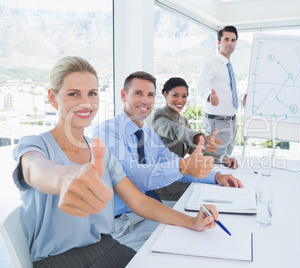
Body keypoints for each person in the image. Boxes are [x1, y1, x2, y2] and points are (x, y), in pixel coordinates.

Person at [12, 56, 219, 267]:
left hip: (106, 247)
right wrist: (65, 178)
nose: (85, 102)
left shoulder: (100, 150)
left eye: (92, 93)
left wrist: (192, 222)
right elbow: (34, 169)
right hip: (61, 260)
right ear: (53, 98)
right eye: (74, 94)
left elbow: (139, 201)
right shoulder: (35, 145)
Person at [92, 71, 243, 251]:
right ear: (124, 95)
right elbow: (130, 175)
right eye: (138, 93)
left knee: (213, 230)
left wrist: (216, 176)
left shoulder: (148, 135)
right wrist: (183, 166)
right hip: (125, 222)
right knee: (194, 245)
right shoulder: (108, 132)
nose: (145, 100)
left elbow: (174, 162)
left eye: (150, 95)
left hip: (151, 210)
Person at [152, 77, 239, 200]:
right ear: (165, 95)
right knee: (209, 191)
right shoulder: (159, 116)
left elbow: (194, 150)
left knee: (216, 186)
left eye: (184, 96)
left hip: (180, 175)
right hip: (165, 183)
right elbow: (177, 131)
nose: (180, 100)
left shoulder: (183, 120)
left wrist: (222, 158)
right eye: (175, 95)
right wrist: (201, 138)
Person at [196, 25, 240, 155]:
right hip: (216, 122)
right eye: (226, 39)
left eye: (233, 40)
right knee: (213, 161)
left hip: (231, 122)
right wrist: (209, 97)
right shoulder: (211, 64)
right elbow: (200, 87)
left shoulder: (228, 66)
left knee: (226, 160)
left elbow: (227, 93)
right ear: (218, 42)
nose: (230, 43)